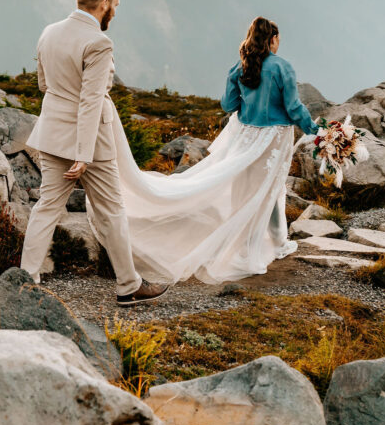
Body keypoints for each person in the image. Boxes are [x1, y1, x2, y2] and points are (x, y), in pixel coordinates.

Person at [115, 16, 319, 284]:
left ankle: (257, 242)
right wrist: (316, 130)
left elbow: (228, 104)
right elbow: (293, 108)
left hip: (246, 135)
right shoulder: (283, 68)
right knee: (271, 188)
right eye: (278, 39)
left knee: (244, 187)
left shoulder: (240, 66)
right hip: (274, 138)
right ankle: (270, 244)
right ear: (272, 39)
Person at [20, 0, 168, 306]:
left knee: (45, 208)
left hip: (51, 133)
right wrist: (83, 154)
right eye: (115, 5)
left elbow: (45, 85)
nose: (115, 11)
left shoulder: (49, 32)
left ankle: (25, 280)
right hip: (91, 145)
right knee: (112, 210)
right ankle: (129, 284)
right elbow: (90, 100)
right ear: (104, 4)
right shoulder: (99, 42)